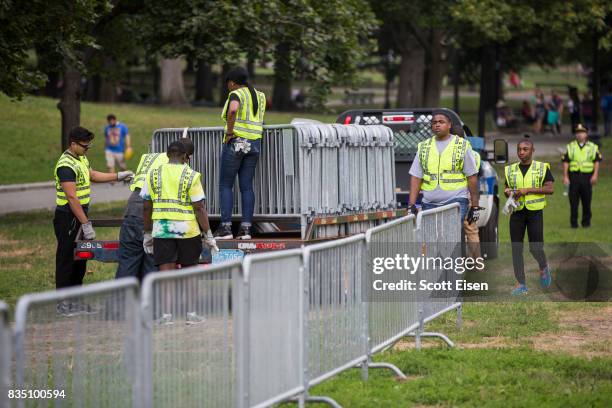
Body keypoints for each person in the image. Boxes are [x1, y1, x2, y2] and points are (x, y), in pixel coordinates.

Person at [53, 127, 134, 299]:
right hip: (68, 217)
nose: (87, 149)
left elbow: (93, 175)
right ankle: (63, 303)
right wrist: (85, 223)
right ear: (73, 144)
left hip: (79, 215)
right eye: (84, 146)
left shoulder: (80, 158)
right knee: (67, 260)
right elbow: (72, 198)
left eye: (88, 146)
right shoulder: (65, 165)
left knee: (80, 261)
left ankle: (76, 300)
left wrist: (118, 175)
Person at [115, 139, 194, 281]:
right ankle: (151, 302)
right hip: (150, 214)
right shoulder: (173, 163)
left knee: (127, 264)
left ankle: (120, 302)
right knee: (152, 267)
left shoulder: (148, 157)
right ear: (185, 155)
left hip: (131, 210)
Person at [142, 141, 218, 272]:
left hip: (162, 231)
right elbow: (199, 208)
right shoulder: (191, 175)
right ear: (184, 156)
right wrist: (208, 234)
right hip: (188, 232)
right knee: (189, 276)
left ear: (167, 155)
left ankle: (168, 294)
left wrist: (148, 233)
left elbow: (146, 208)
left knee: (167, 279)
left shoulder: (152, 174)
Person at [214, 67, 266, 240]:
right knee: (246, 186)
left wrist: (229, 132)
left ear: (232, 82)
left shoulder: (236, 94)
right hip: (254, 144)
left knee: (226, 184)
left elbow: (233, 110)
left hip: (236, 142)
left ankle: (226, 228)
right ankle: (246, 229)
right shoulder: (260, 95)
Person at [408, 111, 481, 225]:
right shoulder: (424, 146)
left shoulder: (461, 145)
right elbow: (416, 177)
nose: (437, 125)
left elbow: (472, 177)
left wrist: (475, 206)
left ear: (449, 125)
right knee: (432, 240)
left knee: (450, 239)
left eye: (441, 122)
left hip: (456, 201)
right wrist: (411, 205)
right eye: (434, 122)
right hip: (429, 203)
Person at [504, 139, 554, 295]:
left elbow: (550, 189)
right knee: (516, 249)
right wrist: (507, 192)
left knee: (535, 247)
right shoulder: (510, 169)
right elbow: (506, 187)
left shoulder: (541, 168)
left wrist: (528, 190)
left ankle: (543, 266)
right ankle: (520, 284)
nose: (521, 152)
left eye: (525, 149)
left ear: (533, 151)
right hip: (517, 213)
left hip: (535, 212)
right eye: (519, 149)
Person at [562, 124, 602, 228]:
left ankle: (586, 223)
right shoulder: (571, 146)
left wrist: (595, 175)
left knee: (587, 201)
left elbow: (596, 161)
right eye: (578, 132)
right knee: (573, 201)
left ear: (586, 134)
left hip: (587, 177)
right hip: (574, 176)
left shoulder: (593, 147)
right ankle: (574, 223)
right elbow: (566, 161)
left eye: (582, 132)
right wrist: (565, 176)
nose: (579, 135)